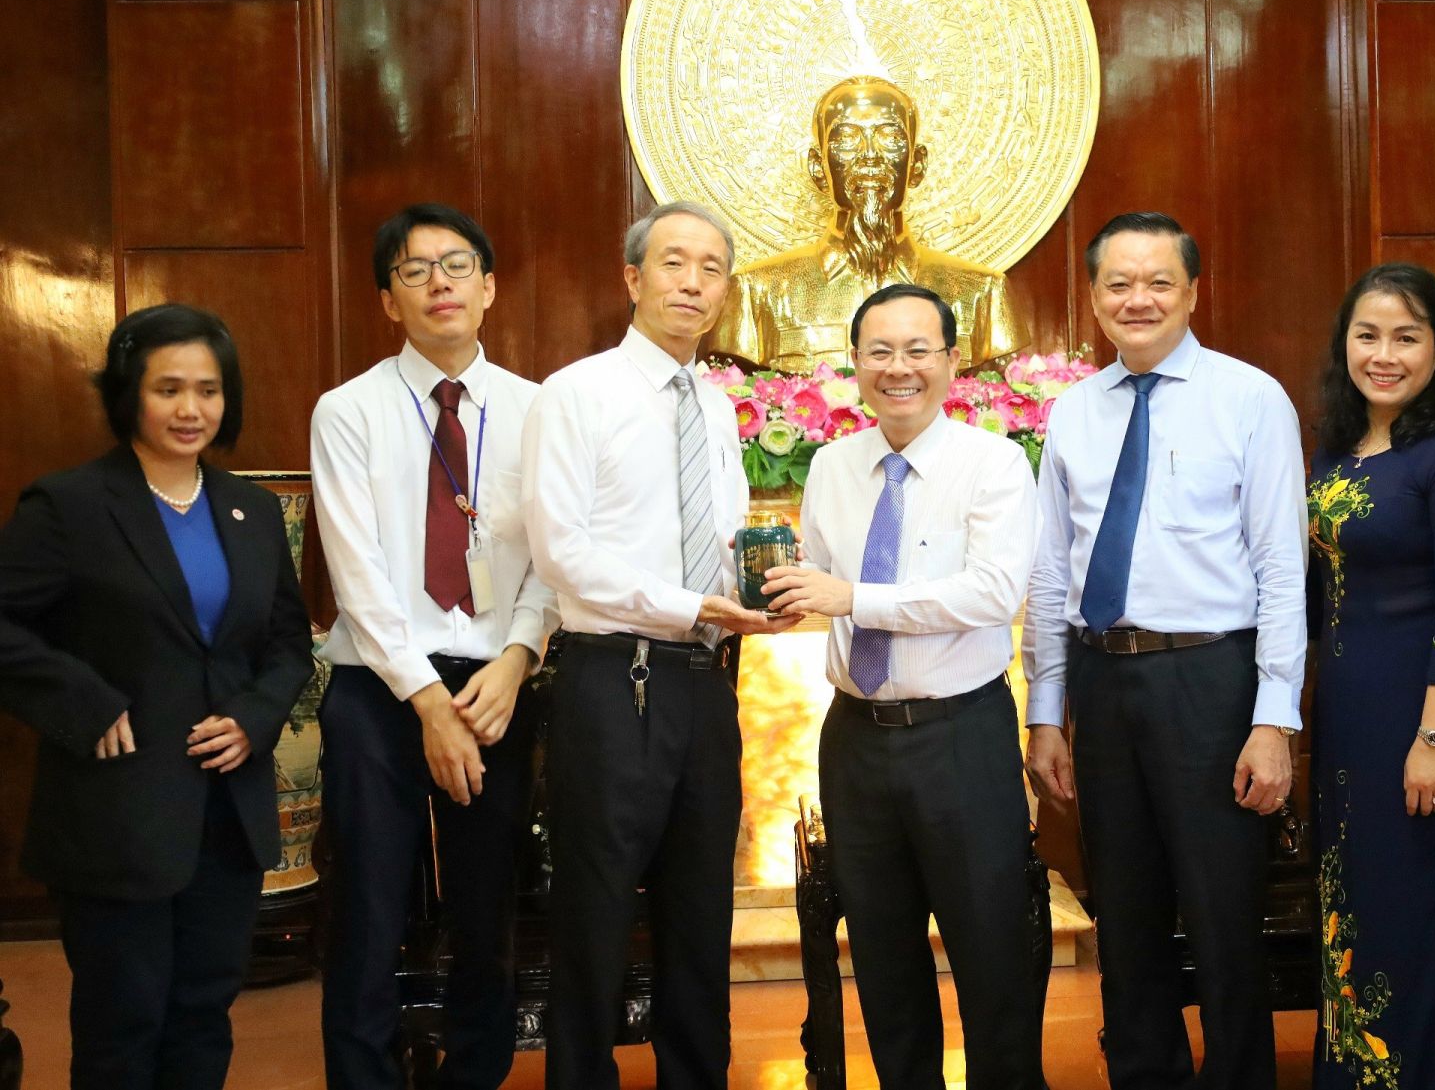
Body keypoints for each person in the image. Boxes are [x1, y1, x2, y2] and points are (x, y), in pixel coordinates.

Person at [1024, 211, 1306, 1089]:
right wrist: (1045, 712)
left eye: (1157, 282)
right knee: (1126, 913)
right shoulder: (1073, 409)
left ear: (1192, 291)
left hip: (1210, 678)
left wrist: (1273, 718)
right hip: (1103, 679)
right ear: (1096, 297)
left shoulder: (1251, 397)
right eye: (1118, 283)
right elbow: (1050, 571)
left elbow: (1282, 570)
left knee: (1224, 917)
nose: (1137, 299)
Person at [522, 200, 799, 1090]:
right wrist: (692, 604)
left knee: (700, 910)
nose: (693, 280)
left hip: (702, 682)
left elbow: (717, 543)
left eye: (712, 267)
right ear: (632, 277)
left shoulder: (717, 407)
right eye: (674, 262)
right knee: (596, 911)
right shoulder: (578, 391)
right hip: (612, 679)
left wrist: (758, 595)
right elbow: (561, 553)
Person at [0, 304, 312, 1089]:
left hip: (226, 813)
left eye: (207, 390)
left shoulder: (252, 510)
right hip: (118, 812)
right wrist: (82, 698)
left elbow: (286, 645)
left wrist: (254, 717)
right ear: (129, 394)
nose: (190, 408)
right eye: (167, 388)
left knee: (203, 1016)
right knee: (121, 1024)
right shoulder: (70, 506)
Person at [758, 283, 1044, 1088]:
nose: (899, 367)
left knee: (991, 954)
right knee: (882, 960)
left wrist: (856, 598)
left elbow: (994, 592)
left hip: (960, 735)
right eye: (880, 351)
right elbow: (819, 582)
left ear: (952, 360)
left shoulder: (992, 464)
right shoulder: (831, 465)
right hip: (855, 739)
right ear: (854, 363)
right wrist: (778, 602)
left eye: (919, 349)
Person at [310, 203, 557, 1089]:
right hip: (380, 685)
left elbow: (556, 559)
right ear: (388, 299)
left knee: (490, 904)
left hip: (498, 680)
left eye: (457, 266)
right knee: (368, 910)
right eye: (415, 270)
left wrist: (518, 657)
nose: (439, 283)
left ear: (489, 287)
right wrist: (423, 701)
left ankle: (475, 1073)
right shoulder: (349, 411)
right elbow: (356, 568)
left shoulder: (539, 410)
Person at [1305, 263, 1435, 1089]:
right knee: (1352, 912)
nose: (1384, 354)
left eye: (1406, 337)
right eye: (1368, 334)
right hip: (1346, 718)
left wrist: (1434, 738)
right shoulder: (1334, 453)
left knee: (1414, 916)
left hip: (1417, 722)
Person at [708, 75, 1022, 372]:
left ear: (917, 164)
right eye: (847, 139)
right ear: (818, 167)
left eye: (890, 137)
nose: (869, 156)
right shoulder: (757, 293)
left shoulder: (982, 294)